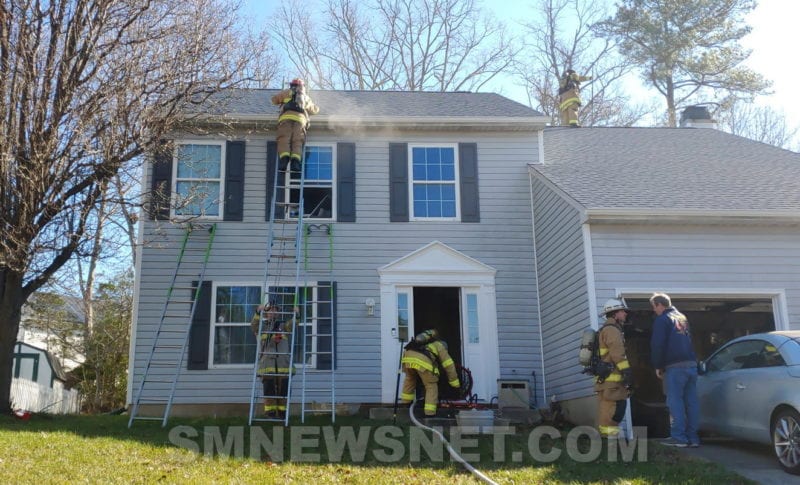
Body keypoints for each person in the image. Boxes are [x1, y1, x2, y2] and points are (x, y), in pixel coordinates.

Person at [650, 292, 700, 448]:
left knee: (675, 401)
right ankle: (693, 438)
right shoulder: (682, 318)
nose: (654, 311)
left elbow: (658, 344)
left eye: (654, 307)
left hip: (675, 367)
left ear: (659, 305)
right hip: (691, 365)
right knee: (691, 402)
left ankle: (679, 438)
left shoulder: (662, 319)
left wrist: (658, 365)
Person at [595, 298, 634, 439]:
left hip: (608, 381)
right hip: (611, 382)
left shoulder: (608, 329)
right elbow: (617, 353)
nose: (625, 314)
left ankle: (610, 442)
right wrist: (627, 371)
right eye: (622, 311)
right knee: (613, 411)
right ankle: (610, 443)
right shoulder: (612, 330)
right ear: (614, 314)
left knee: (612, 410)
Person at [399, 329, 460, 417]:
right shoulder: (440, 346)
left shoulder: (427, 342)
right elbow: (448, 365)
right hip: (422, 360)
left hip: (407, 357)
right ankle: (429, 413)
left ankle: (405, 403)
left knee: (410, 379)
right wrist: (455, 383)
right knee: (431, 385)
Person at [250, 303, 295, 419]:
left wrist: (297, 314)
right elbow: (254, 326)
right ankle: (270, 413)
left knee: (283, 390)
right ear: (266, 313)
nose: (273, 312)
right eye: (270, 310)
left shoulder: (283, 326)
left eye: (275, 310)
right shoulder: (262, 326)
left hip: (283, 364)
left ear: (278, 312)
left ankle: (282, 413)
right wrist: (257, 312)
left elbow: (293, 325)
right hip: (267, 364)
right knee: (269, 389)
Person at [271, 78, 319, 172]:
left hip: (285, 120)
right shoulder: (305, 97)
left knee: (284, 139)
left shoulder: (286, 92)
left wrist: (282, 98)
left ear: (291, 85)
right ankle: (295, 163)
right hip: (300, 121)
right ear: (303, 86)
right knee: (297, 141)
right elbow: (314, 110)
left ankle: (284, 161)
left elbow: (274, 100)